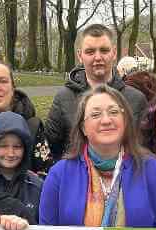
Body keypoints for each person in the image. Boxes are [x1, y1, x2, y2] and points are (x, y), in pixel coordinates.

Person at [39, 85, 156, 228]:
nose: (106, 120)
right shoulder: (60, 175)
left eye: (113, 112)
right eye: (95, 114)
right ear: (83, 128)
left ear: (125, 121)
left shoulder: (154, 172)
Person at [43, 24, 148, 164]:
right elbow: (51, 147)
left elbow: (144, 148)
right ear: (80, 55)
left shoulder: (136, 99)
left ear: (114, 53)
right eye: (90, 51)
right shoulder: (64, 98)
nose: (98, 57)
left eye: (104, 50)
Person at [0, 111, 44, 223]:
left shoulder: (37, 187)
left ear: (25, 149)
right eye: (3, 146)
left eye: (17, 146)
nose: (10, 153)